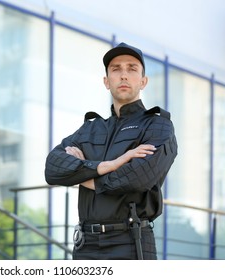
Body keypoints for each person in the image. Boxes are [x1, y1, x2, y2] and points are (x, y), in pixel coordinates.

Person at [44, 42, 178, 260]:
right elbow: (52, 169)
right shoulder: (90, 128)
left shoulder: (157, 126)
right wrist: (108, 165)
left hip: (130, 242)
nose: (123, 75)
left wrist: (83, 176)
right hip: (85, 244)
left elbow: (137, 178)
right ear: (107, 81)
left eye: (132, 69)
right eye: (116, 69)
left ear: (143, 81)